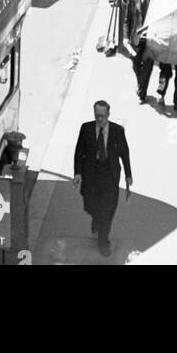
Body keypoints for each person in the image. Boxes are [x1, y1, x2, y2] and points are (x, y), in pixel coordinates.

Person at [73, 100, 133, 257]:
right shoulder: (86, 128)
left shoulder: (117, 131)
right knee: (91, 205)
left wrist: (128, 175)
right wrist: (78, 173)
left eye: (102, 116)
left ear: (108, 115)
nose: (99, 119)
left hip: (110, 175)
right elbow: (79, 151)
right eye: (97, 115)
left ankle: (103, 241)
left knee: (108, 209)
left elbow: (124, 153)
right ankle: (96, 218)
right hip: (91, 175)